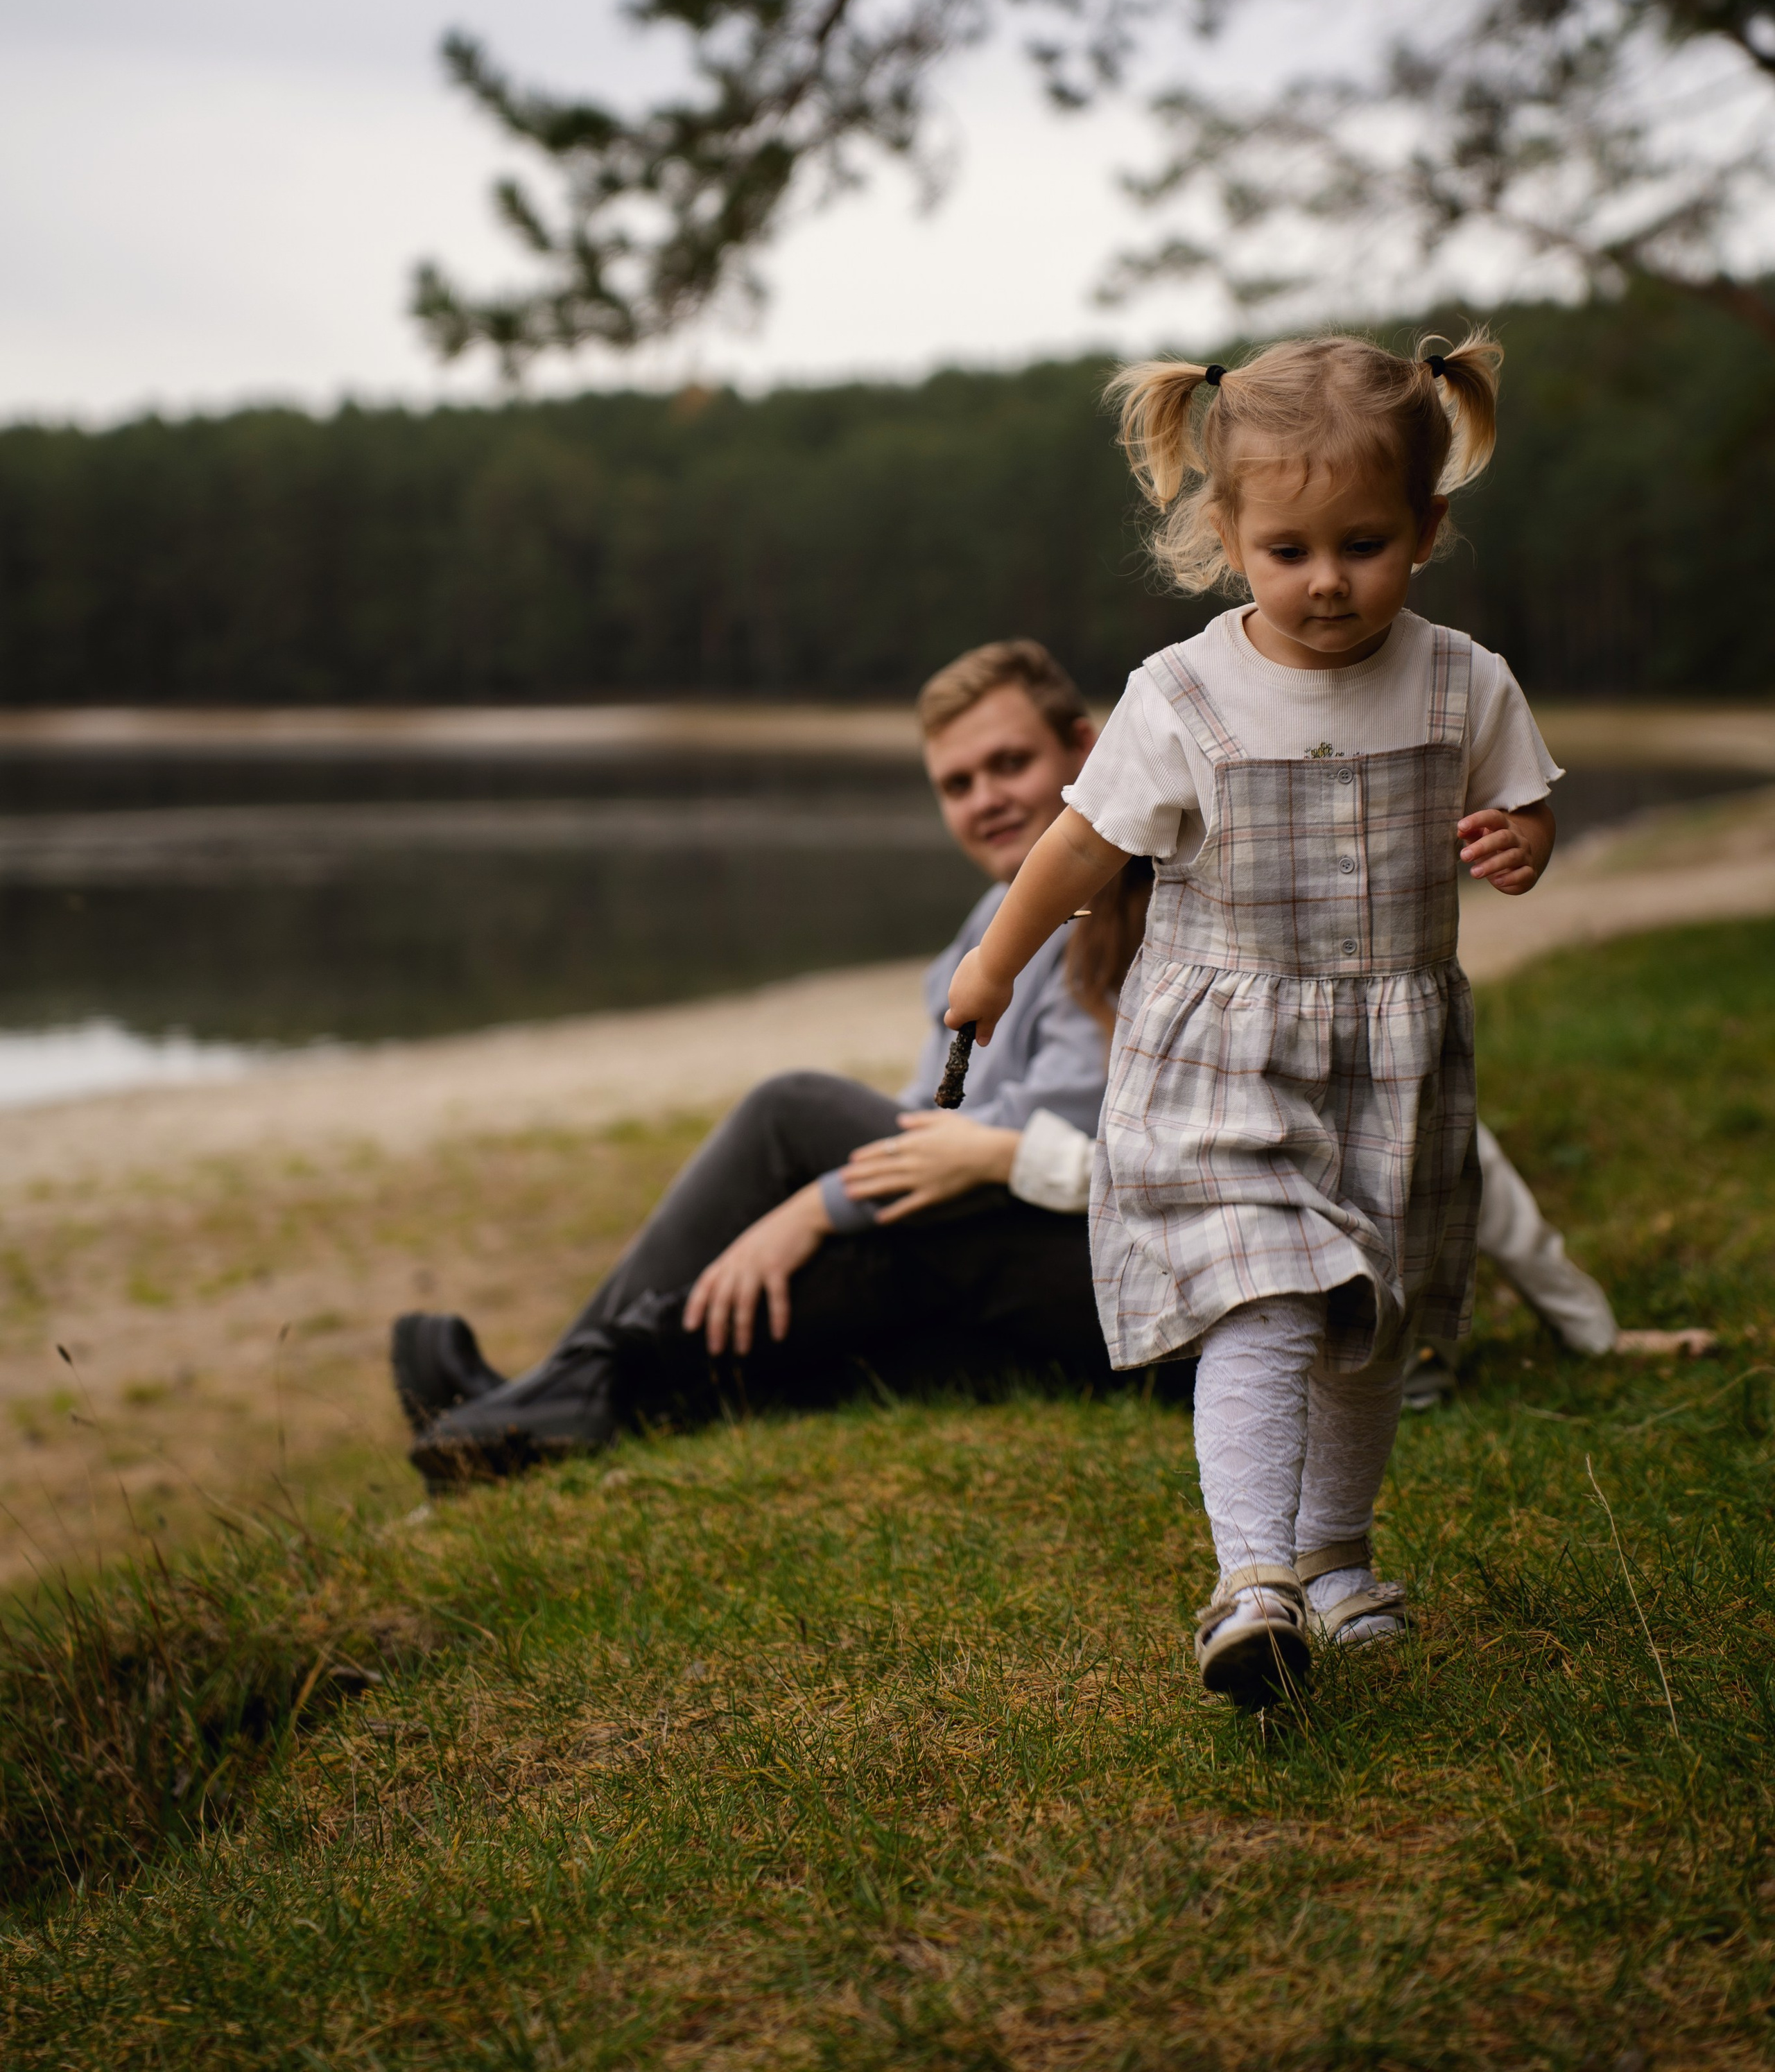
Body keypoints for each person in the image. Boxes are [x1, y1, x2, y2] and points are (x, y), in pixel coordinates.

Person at [946, 331, 1559, 1709]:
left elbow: (1519, 798)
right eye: (1287, 550)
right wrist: (991, 969)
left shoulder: (1463, 680)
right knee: (1266, 1294)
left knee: (1367, 1324)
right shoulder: (1181, 696)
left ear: (1426, 526)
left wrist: (1521, 840)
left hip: (1391, 1062)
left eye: (1363, 542)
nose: (1326, 580)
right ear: (1224, 536)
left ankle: (1336, 1562)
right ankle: (1250, 1583)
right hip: (1221, 1057)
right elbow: (1074, 848)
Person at [395, 640, 1147, 1486]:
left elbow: (1057, 1127)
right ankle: (532, 1415)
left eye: (1009, 764)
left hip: (1092, 1257)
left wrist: (815, 1205)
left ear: (1083, 750)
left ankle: (544, 1394)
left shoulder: (1119, 900)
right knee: (829, 1307)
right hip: (1007, 1245)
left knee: (792, 1112)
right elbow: (930, 1113)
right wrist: (814, 1209)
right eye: (957, 784)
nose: (987, 801)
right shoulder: (988, 921)